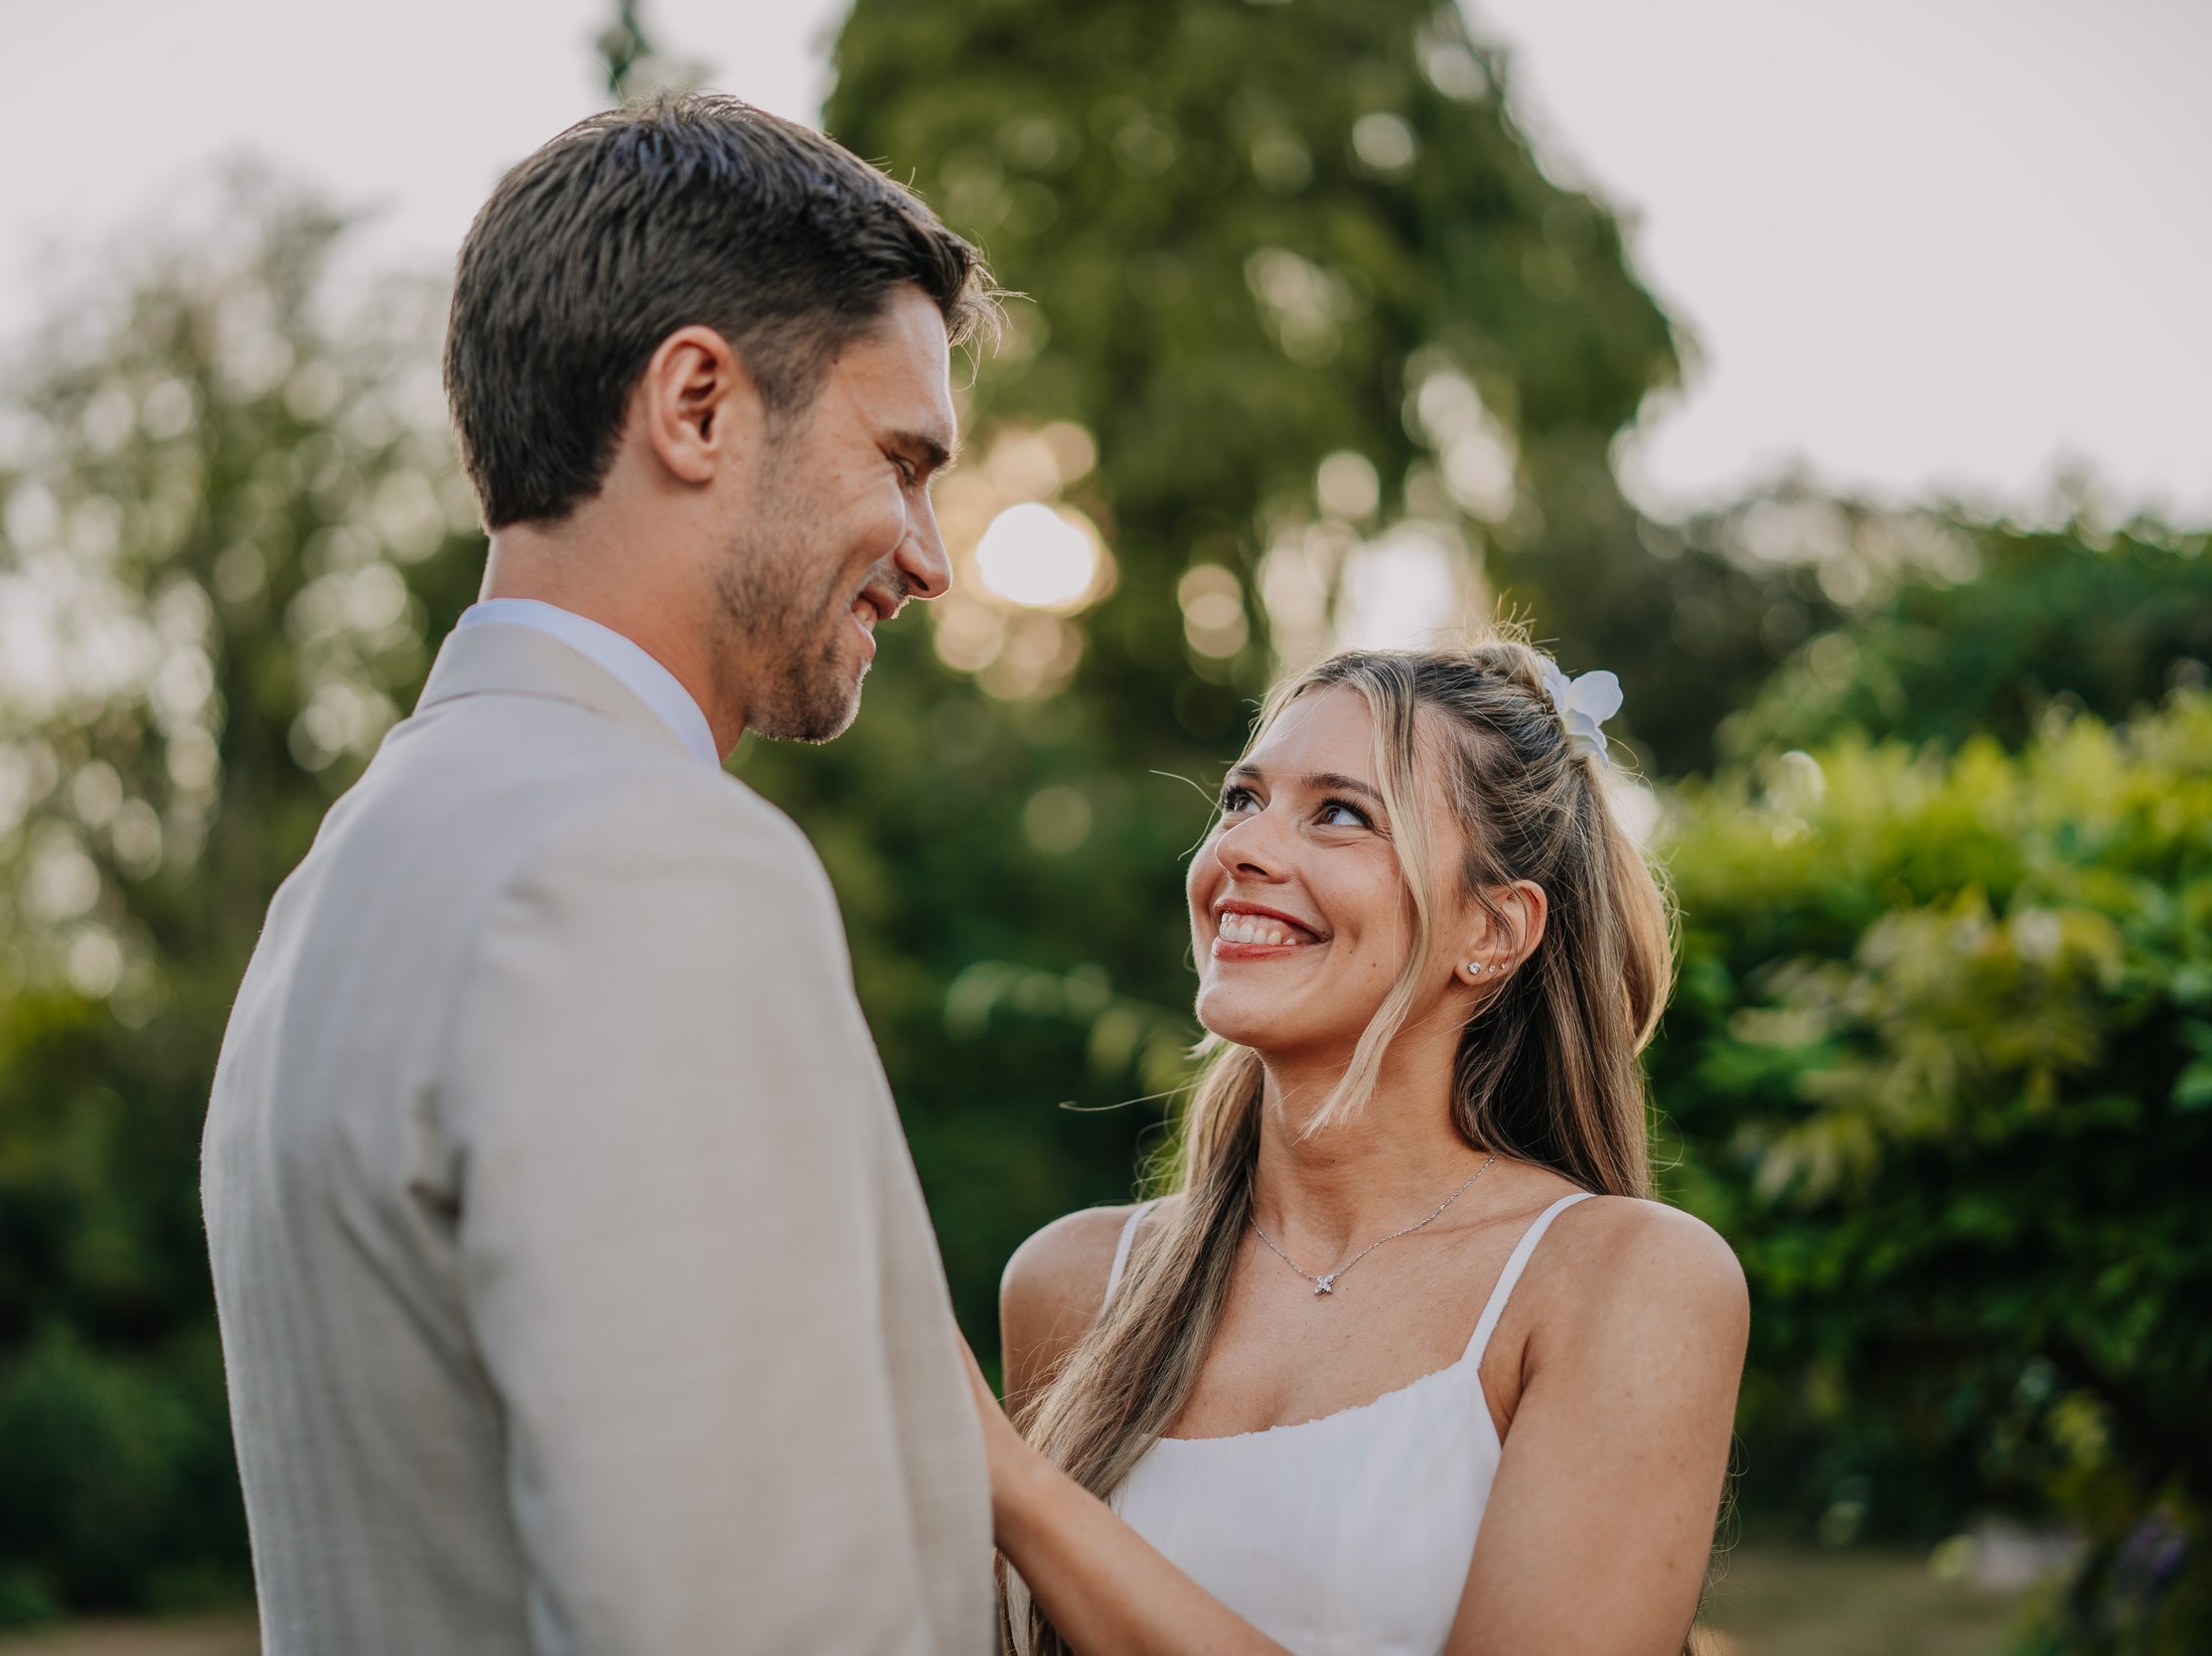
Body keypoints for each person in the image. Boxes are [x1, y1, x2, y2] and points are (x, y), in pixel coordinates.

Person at [201, 94, 1001, 1654]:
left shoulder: (345, 876)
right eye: (902, 459)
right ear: (696, 403)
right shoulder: (647, 863)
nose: (930, 552)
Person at [970, 641, 1750, 1655]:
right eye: (1240, 799)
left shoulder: (1620, 1280)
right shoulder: (1073, 1282)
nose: (1241, 847)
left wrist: (1016, 1489)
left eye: (1339, 812)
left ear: (1493, 928)